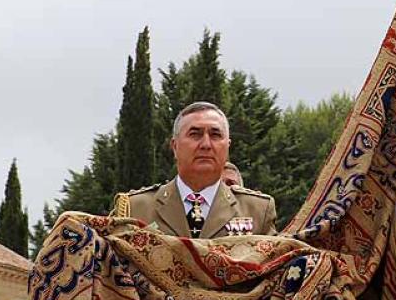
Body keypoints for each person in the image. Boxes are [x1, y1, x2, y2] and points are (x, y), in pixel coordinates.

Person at [112, 102, 277, 238]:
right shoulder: (134, 209)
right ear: (175, 146)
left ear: (227, 147)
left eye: (215, 135)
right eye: (195, 134)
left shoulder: (257, 211)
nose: (206, 144)